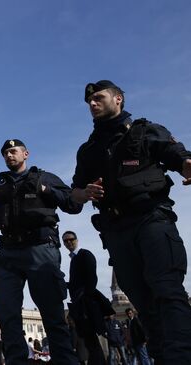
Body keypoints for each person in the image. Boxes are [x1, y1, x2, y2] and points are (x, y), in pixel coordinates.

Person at [70, 80, 191, 363]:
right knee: (145, 304)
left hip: (152, 219)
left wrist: (186, 164)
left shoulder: (144, 132)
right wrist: (84, 193)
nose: (92, 104)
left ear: (118, 99)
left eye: (99, 98)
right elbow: (74, 193)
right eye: (89, 101)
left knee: (168, 291)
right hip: (116, 231)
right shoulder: (88, 150)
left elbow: (177, 155)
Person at [0, 139, 81, 364]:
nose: (10, 155)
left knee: (52, 314)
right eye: (6, 152)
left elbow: (73, 204)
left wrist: (45, 190)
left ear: (26, 154)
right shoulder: (1, 187)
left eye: (14, 151)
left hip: (40, 249)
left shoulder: (44, 178)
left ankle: (65, 360)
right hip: (9, 253)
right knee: (7, 313)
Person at [62, 230, 114, 365]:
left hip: (86, 304)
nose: (68, 242)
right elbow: (76, 283)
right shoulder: (75, 259)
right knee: (89, 340)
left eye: (71, 239)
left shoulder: (84, 254)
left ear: (76, 240)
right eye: (65, 241)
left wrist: (86, 298)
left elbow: (92, 278)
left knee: (91, 339)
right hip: (81, 303)